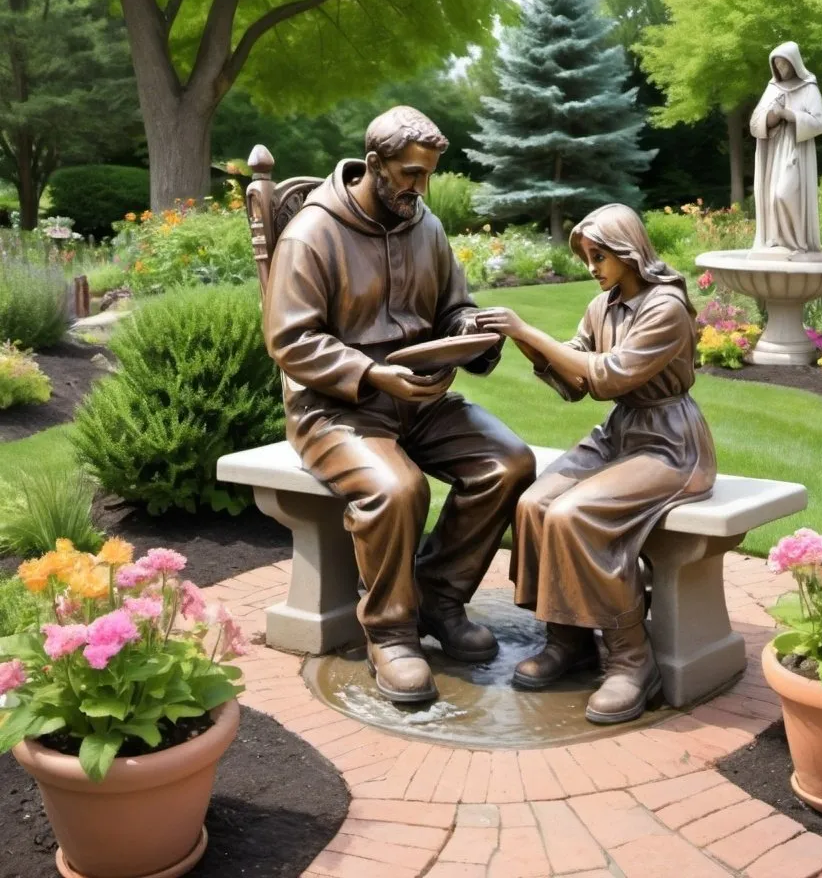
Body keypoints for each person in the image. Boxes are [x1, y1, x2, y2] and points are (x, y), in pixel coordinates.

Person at [262, 106, 535, 705]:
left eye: (428, 175)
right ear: (375, 163)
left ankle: (439, 597)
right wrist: (372, 374)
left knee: (508, 462)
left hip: (420, 399)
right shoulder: (314, 234)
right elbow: (289, 340)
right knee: (397, 489)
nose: (420, 186)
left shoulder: (426, 226)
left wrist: (472, 334)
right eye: (410, 173)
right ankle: (391, 632)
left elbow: (453, 306)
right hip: (335, 405)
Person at [476, 204, 717, 724]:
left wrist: (529, 329)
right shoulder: (601, 306)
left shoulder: (665, 307)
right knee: (537, 503)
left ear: (628, 249)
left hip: (668, 443)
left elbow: (608, 376)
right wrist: (522, 339)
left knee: (574, 514)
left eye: (599, 254)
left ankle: (632, 660)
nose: (592, 266)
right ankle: (569, 638)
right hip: (621, 432)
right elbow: (575, 382)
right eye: (587, 256)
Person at [749, 41, 822, 257]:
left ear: (794, 63)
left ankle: (798, 242)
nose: (781, 70)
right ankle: (777, 240)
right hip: (775, 152)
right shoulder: (772, 88)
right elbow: (755, 123)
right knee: (772, 196)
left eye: (784, 64)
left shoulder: (808, 87)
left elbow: (821, 122)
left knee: (783, 194)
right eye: (777, 65)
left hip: (796, 151)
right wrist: (773, 116)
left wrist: (790, 115)